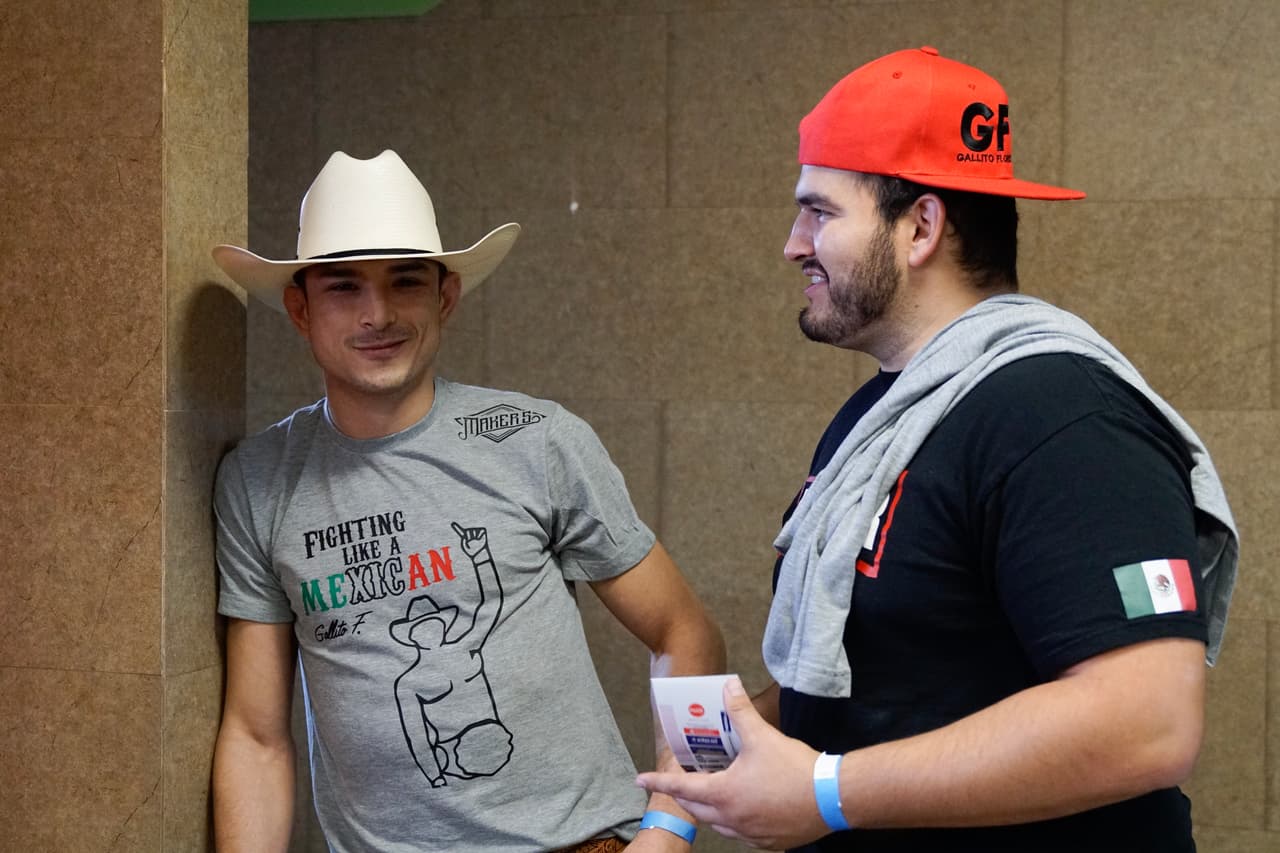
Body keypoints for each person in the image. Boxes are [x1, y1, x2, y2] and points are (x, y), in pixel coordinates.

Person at [637, 46, 1238, 852]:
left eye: (820, 211)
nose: (792, 243)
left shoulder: (1062, 414)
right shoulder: (889, 413)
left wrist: (823, 789)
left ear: (920, 226)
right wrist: (746, 743)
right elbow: (891, 667)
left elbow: (1147, 721)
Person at [210, 149, 726, 853]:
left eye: (405, 281)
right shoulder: (258, 480)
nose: (378, 313)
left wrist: (673, 826)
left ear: (445, 296)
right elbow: (256, 734)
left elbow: (688, 635)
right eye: (343, 287)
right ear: (299, 308)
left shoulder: (536, 439)